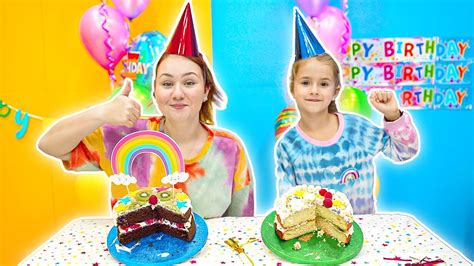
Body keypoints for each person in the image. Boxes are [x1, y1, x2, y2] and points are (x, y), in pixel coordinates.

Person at [38, 3, 254, 218]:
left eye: (189, 83)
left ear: (206, 91)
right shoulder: (126, 135)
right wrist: (100, 113)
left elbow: (240, 227)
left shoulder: (229, 148)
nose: (177, 93)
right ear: (155, 93)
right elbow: (49, 145)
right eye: (167, 84)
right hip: (131, 250)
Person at [275, 9, 419, 214]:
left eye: (323, 84)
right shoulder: (288, 146)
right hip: (315, 240)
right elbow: (287, 202)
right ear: (293, 89)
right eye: (306, 82)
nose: (314, 90)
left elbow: (404, 152)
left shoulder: (356, 129)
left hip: (363, 236)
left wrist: (393, 115)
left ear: (335, 91)